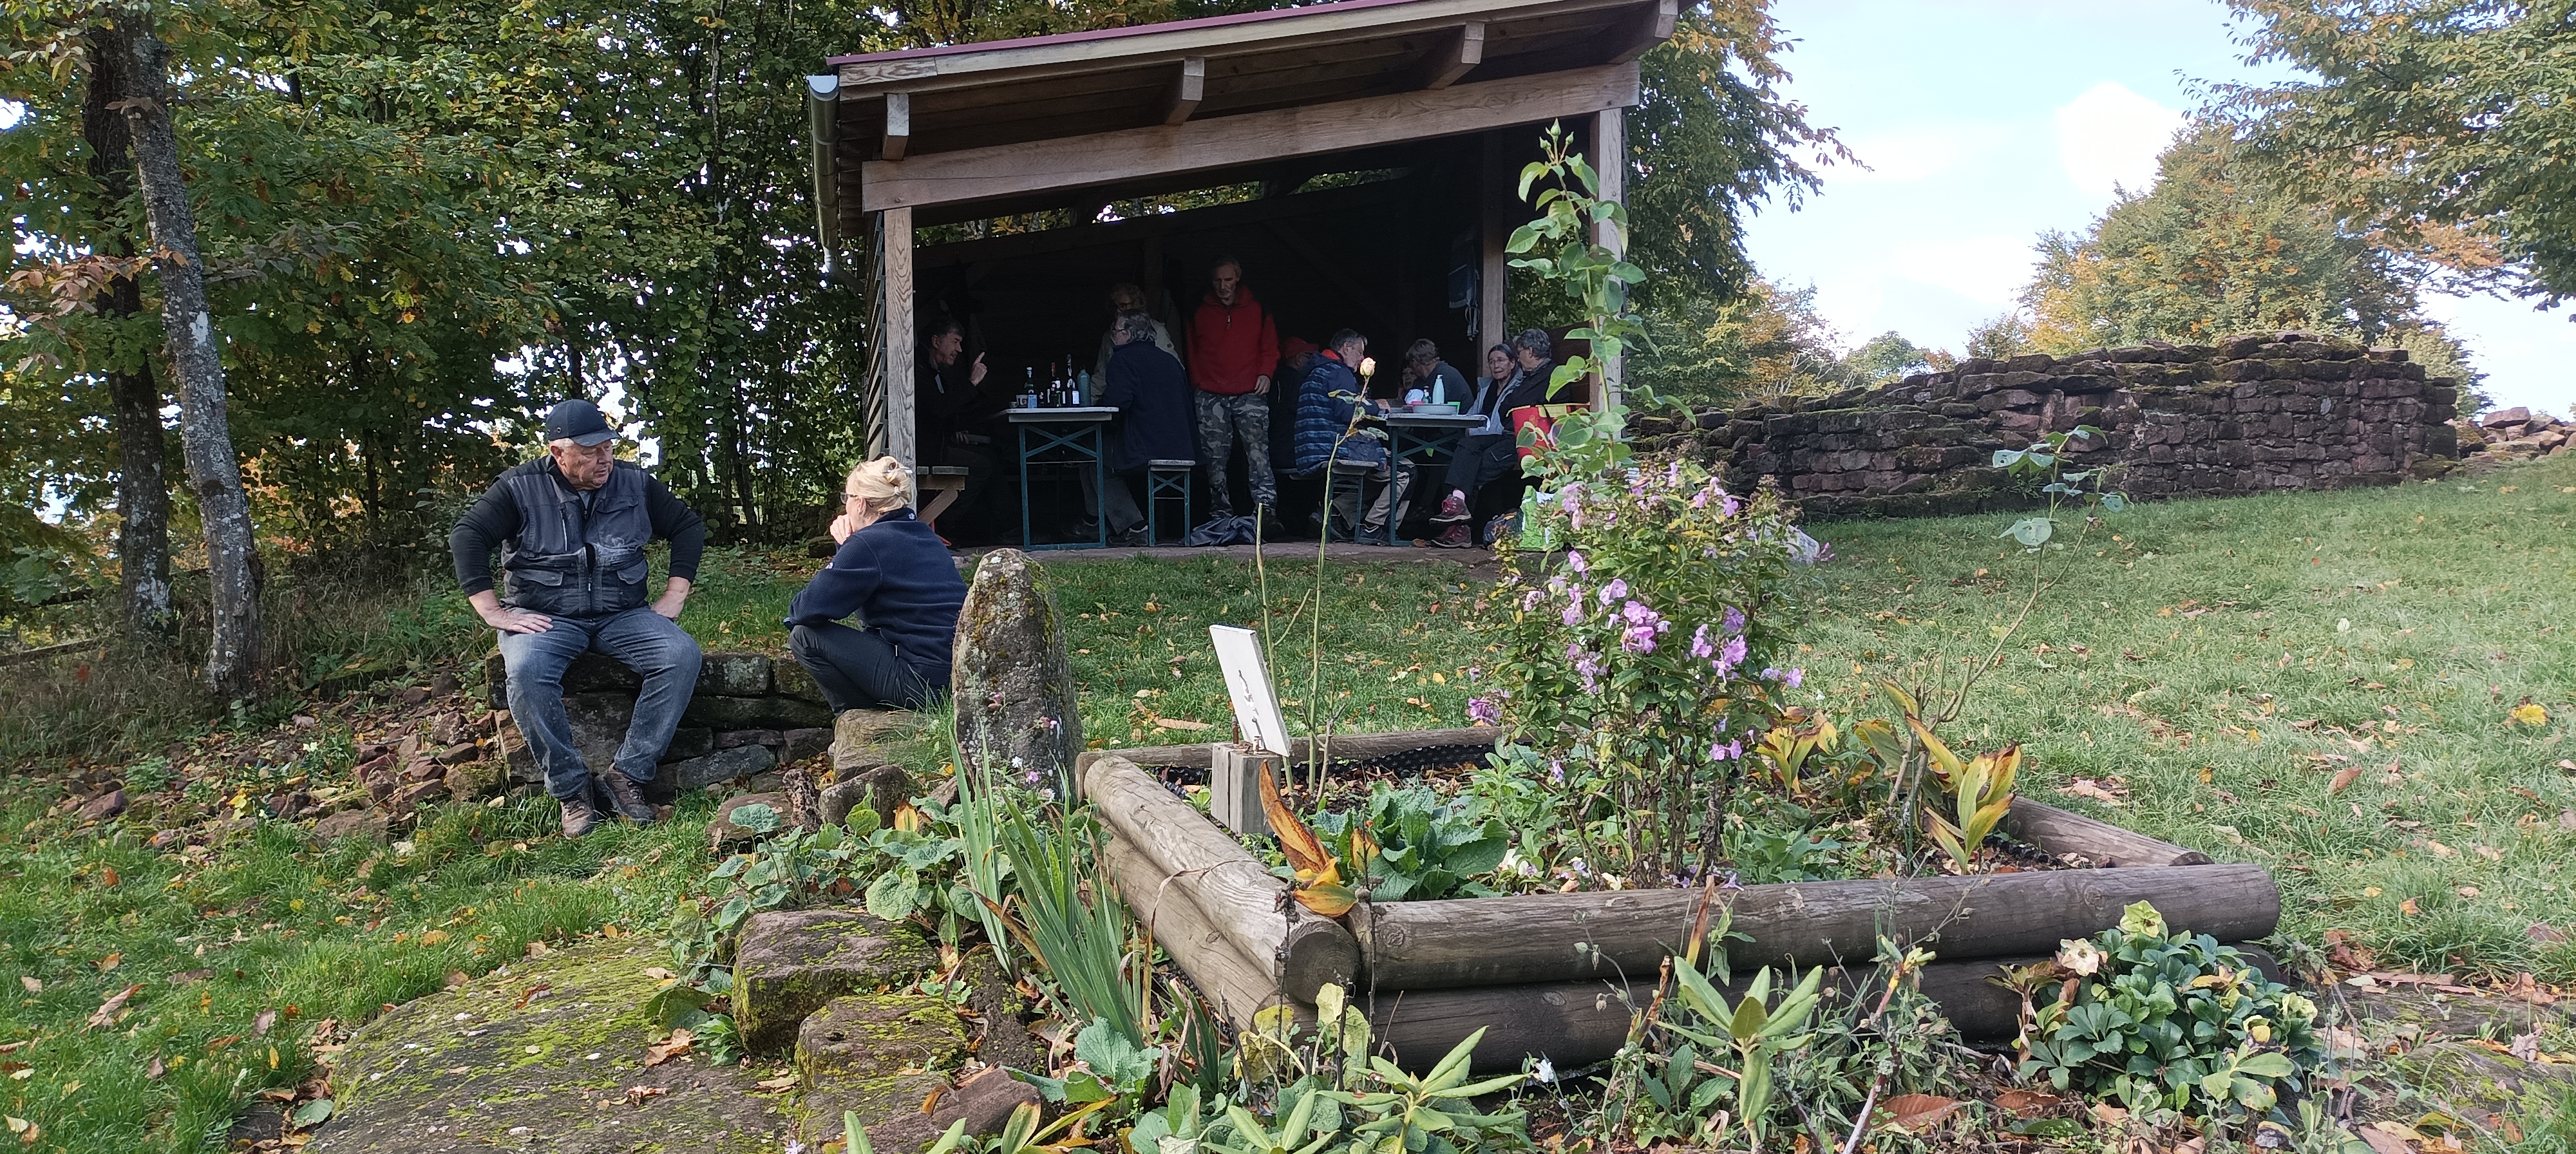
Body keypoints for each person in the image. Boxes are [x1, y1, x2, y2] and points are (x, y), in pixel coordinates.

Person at [450, 399, 705, 837]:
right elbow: (467, 535)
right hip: (544, 617)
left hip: (622, 613)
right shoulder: (519, 487)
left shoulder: (634, 483)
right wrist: (492, 611)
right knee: (526, 672)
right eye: (590, 452)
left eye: (608, 448)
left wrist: (675, 595)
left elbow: (688, 526)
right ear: (558, 453)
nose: (604, 459)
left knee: (680, 656)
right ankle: (572, 789)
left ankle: (628, 775)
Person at [786, 458, 969, 712]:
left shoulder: (868, 544)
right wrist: (848, 548)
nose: (845, 505)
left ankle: (855, 716)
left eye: (847, 497)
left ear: (860, 503)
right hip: (953, 676)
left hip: (920, 684)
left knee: (804, 637)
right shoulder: (924, 535)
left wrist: (846, 548)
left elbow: (806, 610)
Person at [1426, 332, 1557, 548]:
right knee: (1467, 445)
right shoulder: (1530, 376)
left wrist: (1513, 403)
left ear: (1530, 352)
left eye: (1519, 353)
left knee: (1470, 468)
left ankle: (1461, 529)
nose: (1519, 358)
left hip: (1527, 440)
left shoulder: (1548, 375)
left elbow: (1513, 402)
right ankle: (1458, 503)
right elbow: (1509, 404)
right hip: (1509, 433)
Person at [1184, 256, 1280, 526]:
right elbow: (1190, 350)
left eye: (1228, 280)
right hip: (1209, 393)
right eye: (1217, 280)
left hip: (1251, 390)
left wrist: (1266, 373)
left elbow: (1270, 345)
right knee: (1214, 458)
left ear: (1238, 278)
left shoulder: (1258, 306)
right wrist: (1197, 382)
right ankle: (1220, 514)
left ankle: (1265, 512)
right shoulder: (1197, 307)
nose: (1222, 286)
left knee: (1258, 453)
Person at [1291, 329, 1412, 540]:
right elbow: (1349, 412)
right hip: (1333, 447)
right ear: (1346, 348)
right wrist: (1375, 405)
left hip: (1312, 449)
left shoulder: (1316, 370)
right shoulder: (1338, 372)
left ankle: (1334, 512)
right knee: (1405, 471)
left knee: (1379, 473)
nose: (1362, 358)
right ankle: (1373, 528)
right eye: (1360, 352)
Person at [1094, 310, 1197, 543]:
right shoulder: (1170, 361)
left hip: (1146, 448)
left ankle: (1133, 526)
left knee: (1093, 458)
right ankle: (1098, 523)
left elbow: (1116, 405)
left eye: (1116, 331)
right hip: (1183, 447)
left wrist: (1098, 408)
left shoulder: (1122, 360)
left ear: (1129, 334)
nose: (1113, 336)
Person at [917, 317, 1008, 529]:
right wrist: (973, 382)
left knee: (989, 457)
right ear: (936, 341)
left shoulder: (935, 371)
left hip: (937, 446)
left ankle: (1005, 526)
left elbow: (941, 411)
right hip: (927, 453)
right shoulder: (920, 371)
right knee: (983, 466)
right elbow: (939, 408)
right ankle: (944, 526)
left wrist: (954, 431)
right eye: (955, 341)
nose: (959, 349)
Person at [1092, 283, 1177, 388]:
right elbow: (1101, 376)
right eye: (1116, 306)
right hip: (1120, 391)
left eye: (1123, 305)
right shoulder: (1109, 336)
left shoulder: (1156, 330)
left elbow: (1172, 368)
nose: (1118, 310)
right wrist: (1086, 397)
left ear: (1136, 305)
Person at [1400, 339, 1469, 408]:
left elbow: (1443, 410)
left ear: (1415, 363)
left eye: (1410, 364)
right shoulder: (1420, 382)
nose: (1411, 368)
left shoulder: (1447, 375)